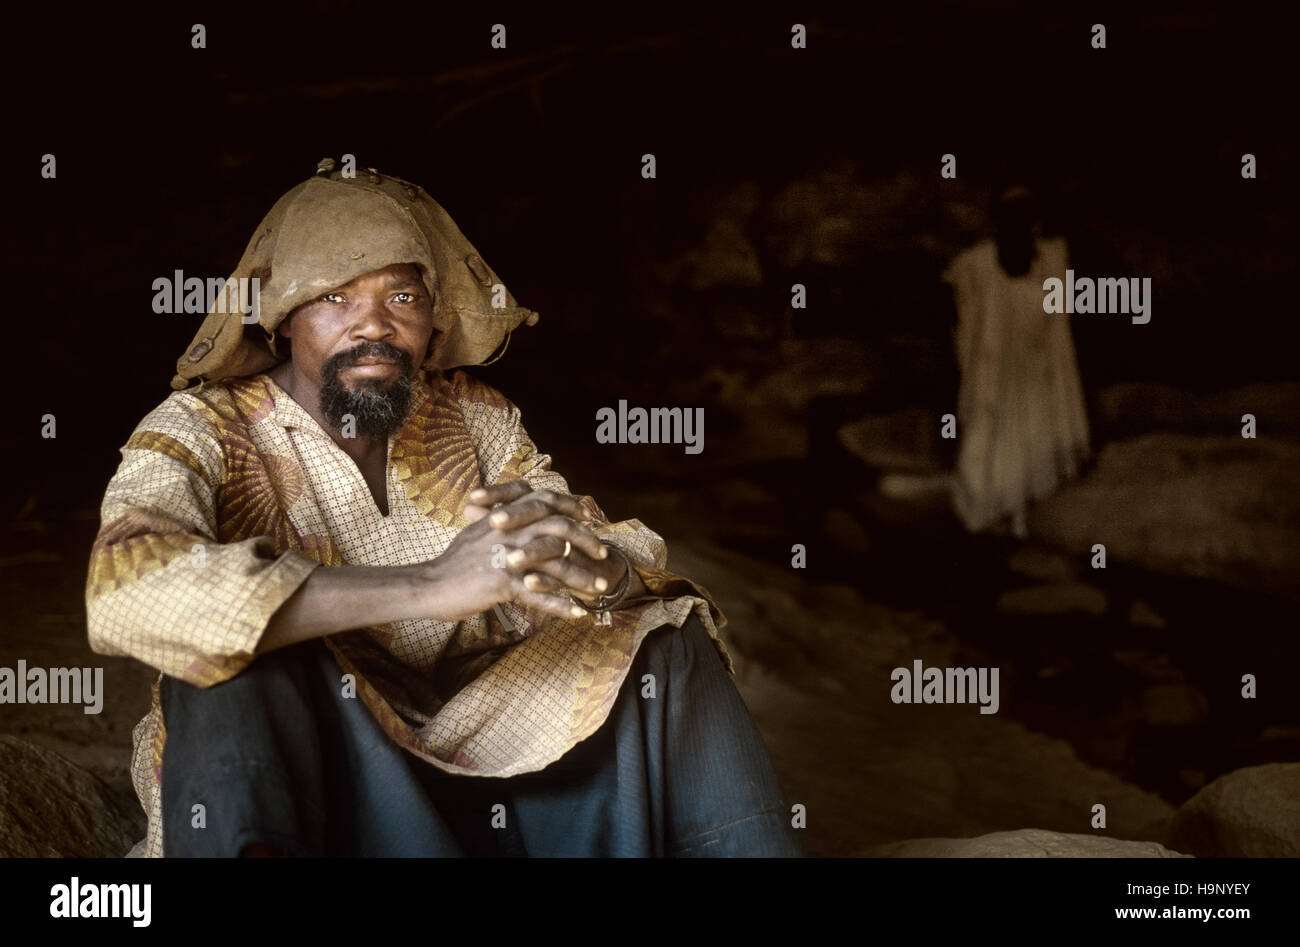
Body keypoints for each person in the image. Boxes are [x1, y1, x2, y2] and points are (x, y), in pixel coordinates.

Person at [86, 159, 802, 858]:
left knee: (665, 637)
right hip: (327, 768)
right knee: (228, 662)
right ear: (280, 320)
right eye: (334, 297)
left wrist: (598, 573)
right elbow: (124, 591)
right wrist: (433, 584)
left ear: (432, 317)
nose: (373, 327)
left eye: (402, 297)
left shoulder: (474, 417)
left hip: (477, 746)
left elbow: (582, 546)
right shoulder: (200, 427)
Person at [942, 185, 1091, 538]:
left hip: (1034, 368)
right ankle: (989, 513)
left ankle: (1021, 511)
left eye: (1025, 218)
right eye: (1010, 218)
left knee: (1032, 433)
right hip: (992, 373)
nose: (1019, 226)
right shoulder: (975, 265)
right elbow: (958, 309)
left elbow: (1056, 324)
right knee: (991, 438)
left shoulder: (1050, 262)